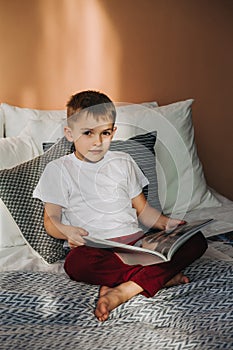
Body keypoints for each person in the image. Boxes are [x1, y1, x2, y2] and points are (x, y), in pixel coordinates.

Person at [33, 90, 207, 322]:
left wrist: (166, 223)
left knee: (197, 241)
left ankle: (125, 288)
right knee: (75, 265)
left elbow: (143, 211)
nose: (97, 141)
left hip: (135, 245)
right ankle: (151, 281)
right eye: (88, 133)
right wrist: (66, 230)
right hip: (95, 250)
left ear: (114, 131)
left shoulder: (124, 162)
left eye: (105, 133)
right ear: (69, 133)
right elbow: (51, 220)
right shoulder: (58, 169)